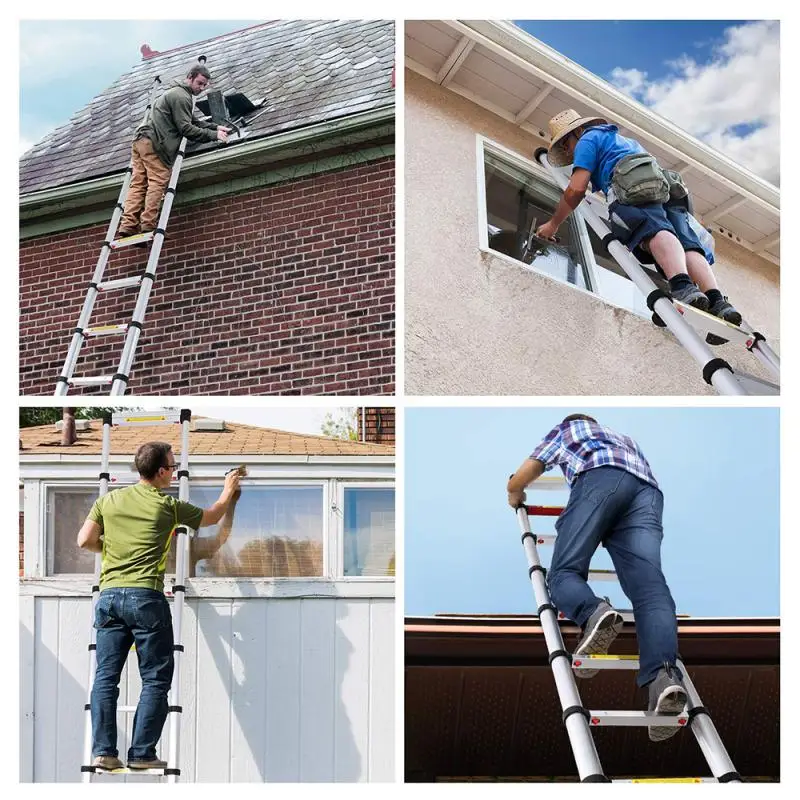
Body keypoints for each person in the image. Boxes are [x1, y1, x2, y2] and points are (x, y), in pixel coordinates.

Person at [507, 413, 686, 742]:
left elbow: (535, 464)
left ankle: (593, 612)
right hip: (647, 494)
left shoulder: (570, 427)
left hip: (601, 478)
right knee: (650, 592)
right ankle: (663, 679)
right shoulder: (626, 438)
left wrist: (514, 490)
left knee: (562, 573)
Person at [77, 442, 241, 770]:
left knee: (106, 677)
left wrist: (113, 551)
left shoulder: (107, 500)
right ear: (163, 472)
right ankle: (141, 755)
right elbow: (211, 517)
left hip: (108, 598)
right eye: (173, 464)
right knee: (154, 678)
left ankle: (104, 752)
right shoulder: (166, 505)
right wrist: (228, 490)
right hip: (145, 598)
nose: (176, 468)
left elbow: (84, 541)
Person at [535, 109, 741, 327]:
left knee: (652, 229)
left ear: (577, 131)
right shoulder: (622, 141)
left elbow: (575, 189)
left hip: (632, 187)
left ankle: (682, 287)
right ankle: (718, 302)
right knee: (687, 244)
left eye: (566, 144)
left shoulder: (587, 139)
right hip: (665, 188)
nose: (568, 151)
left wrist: (553, 223)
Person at [117, 65, 231, 239]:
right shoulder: (182, 97)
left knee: (139, 183)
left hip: (141, 139)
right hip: (156, 143)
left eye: (204, 85)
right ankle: (148, 225)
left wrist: (216, 127)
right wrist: (214, 136)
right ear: (190, 77)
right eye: (199, 83)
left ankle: (128, 225)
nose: (201, 88)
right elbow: (186, 128)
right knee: (157, 181)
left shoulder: (174, 93)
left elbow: (194, 121)